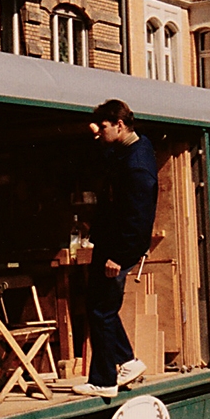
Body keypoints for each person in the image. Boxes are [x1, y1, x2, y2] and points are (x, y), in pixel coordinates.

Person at [72, 100, 158, 399]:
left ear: (119, 125)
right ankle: (127, 362)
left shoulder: (136, 167)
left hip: (117, 250)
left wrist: (120, 257)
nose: (99, 132)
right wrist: (97, 135)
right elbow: (107, 158)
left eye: (104, 127)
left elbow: (139, 218)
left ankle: (105, 380)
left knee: (102, 310)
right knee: (100, 308)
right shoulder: (133, 148)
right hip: (111, 245)